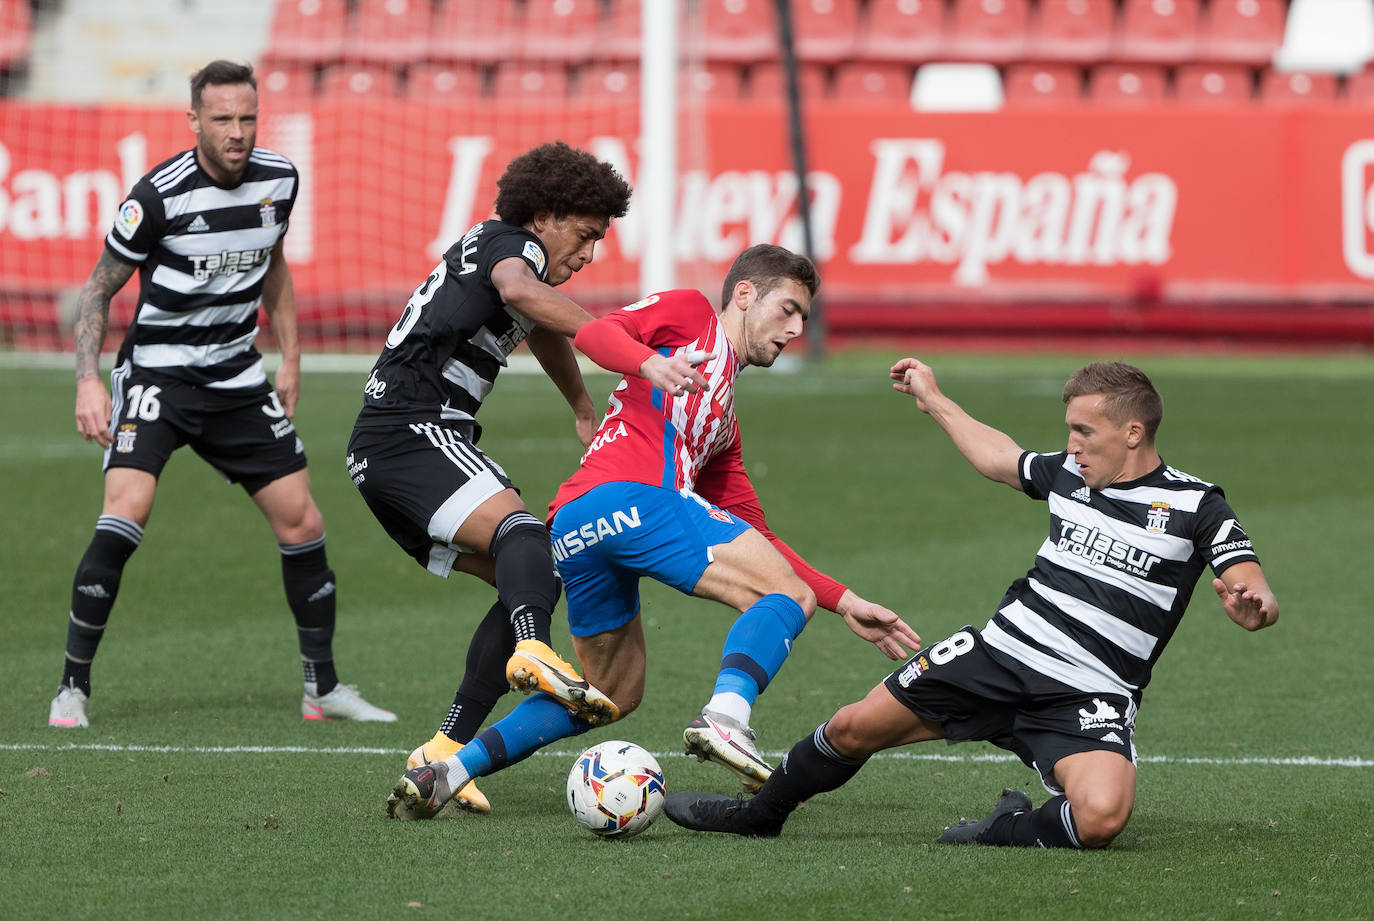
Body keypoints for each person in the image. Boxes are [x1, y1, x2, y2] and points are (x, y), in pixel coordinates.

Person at [386, 244, 922, 820]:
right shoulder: (690, 314)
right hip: (631, 499)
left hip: (572, 526)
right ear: (744, 294)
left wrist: (844, 601)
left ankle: (448, 771)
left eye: (804, 320)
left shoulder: (722, 427)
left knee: (612, 692)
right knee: (781, 594)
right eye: (788, 309)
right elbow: (600, 331)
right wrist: (646, 363)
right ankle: (726, 718)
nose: (795, 328)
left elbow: (757, 537)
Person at [663, 358, 1279, 849]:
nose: (1071, 444)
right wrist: (933, 399)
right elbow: (998, 457)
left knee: (1101, 818)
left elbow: (1244, 572)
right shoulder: (1070, 472)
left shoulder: (1196, 504)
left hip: (1090, 693)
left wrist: (1255, 602)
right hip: (997, 656)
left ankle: (1001, 829)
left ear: (1133, 433)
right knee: (852, 728)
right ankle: (761, 814)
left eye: (1084, 431)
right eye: (1070, 430)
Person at [48, 60, 394, 729]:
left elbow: (275, 265)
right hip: (157, 375)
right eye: (223, 120)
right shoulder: (158, 196)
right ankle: (72, 687)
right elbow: (97, 289)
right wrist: (89, 379)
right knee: (128, 509)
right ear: (194, 121)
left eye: (247, 119)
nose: (237, 133)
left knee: (303, 520)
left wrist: (290, 358)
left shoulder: (280, 180)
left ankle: (320, 687)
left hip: (237, 377)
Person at [348, 141, 649, 815]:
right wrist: (620, 346)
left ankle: (443, 751)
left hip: (396, 445)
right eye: (586, 234)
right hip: (410, 428)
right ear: (544, 215)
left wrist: (579, 404)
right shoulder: (517, 247)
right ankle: (533, 648)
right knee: (526, 534)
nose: (590, 253)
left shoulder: (505, 251)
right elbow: (520, 290)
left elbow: (534, 321)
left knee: (541, 571)